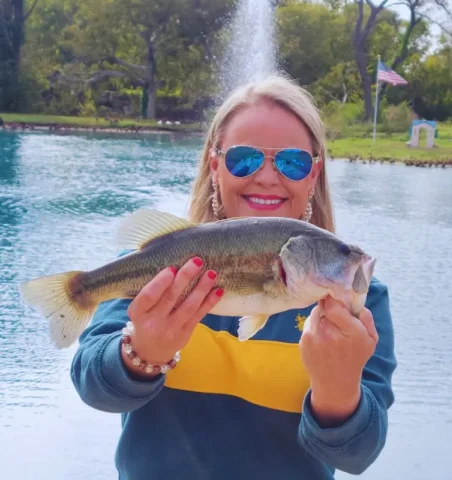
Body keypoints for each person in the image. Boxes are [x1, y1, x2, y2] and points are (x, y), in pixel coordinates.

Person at [71, 74, 397, 480]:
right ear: (215, 166)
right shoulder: (158, 273)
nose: (266, 176)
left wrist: (337, 387)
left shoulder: (359, 302)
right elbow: (92, 386)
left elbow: (358, 456)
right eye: (244, 158)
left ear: (313, 175)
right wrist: (141, 353)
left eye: (292, 162)